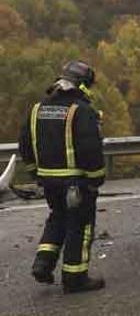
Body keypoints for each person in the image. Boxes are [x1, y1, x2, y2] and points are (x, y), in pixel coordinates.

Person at [18, 61, 106, 293]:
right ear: (83, 84)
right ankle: (75, 279)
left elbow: (25, 145)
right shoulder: (82, 110)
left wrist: (35, 172)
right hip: (76, 183)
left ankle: (43, 263)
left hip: (48, 181)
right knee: (80, 225)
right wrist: (96, 178)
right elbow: (90, 150)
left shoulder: (37, 109)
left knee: (57, 218)